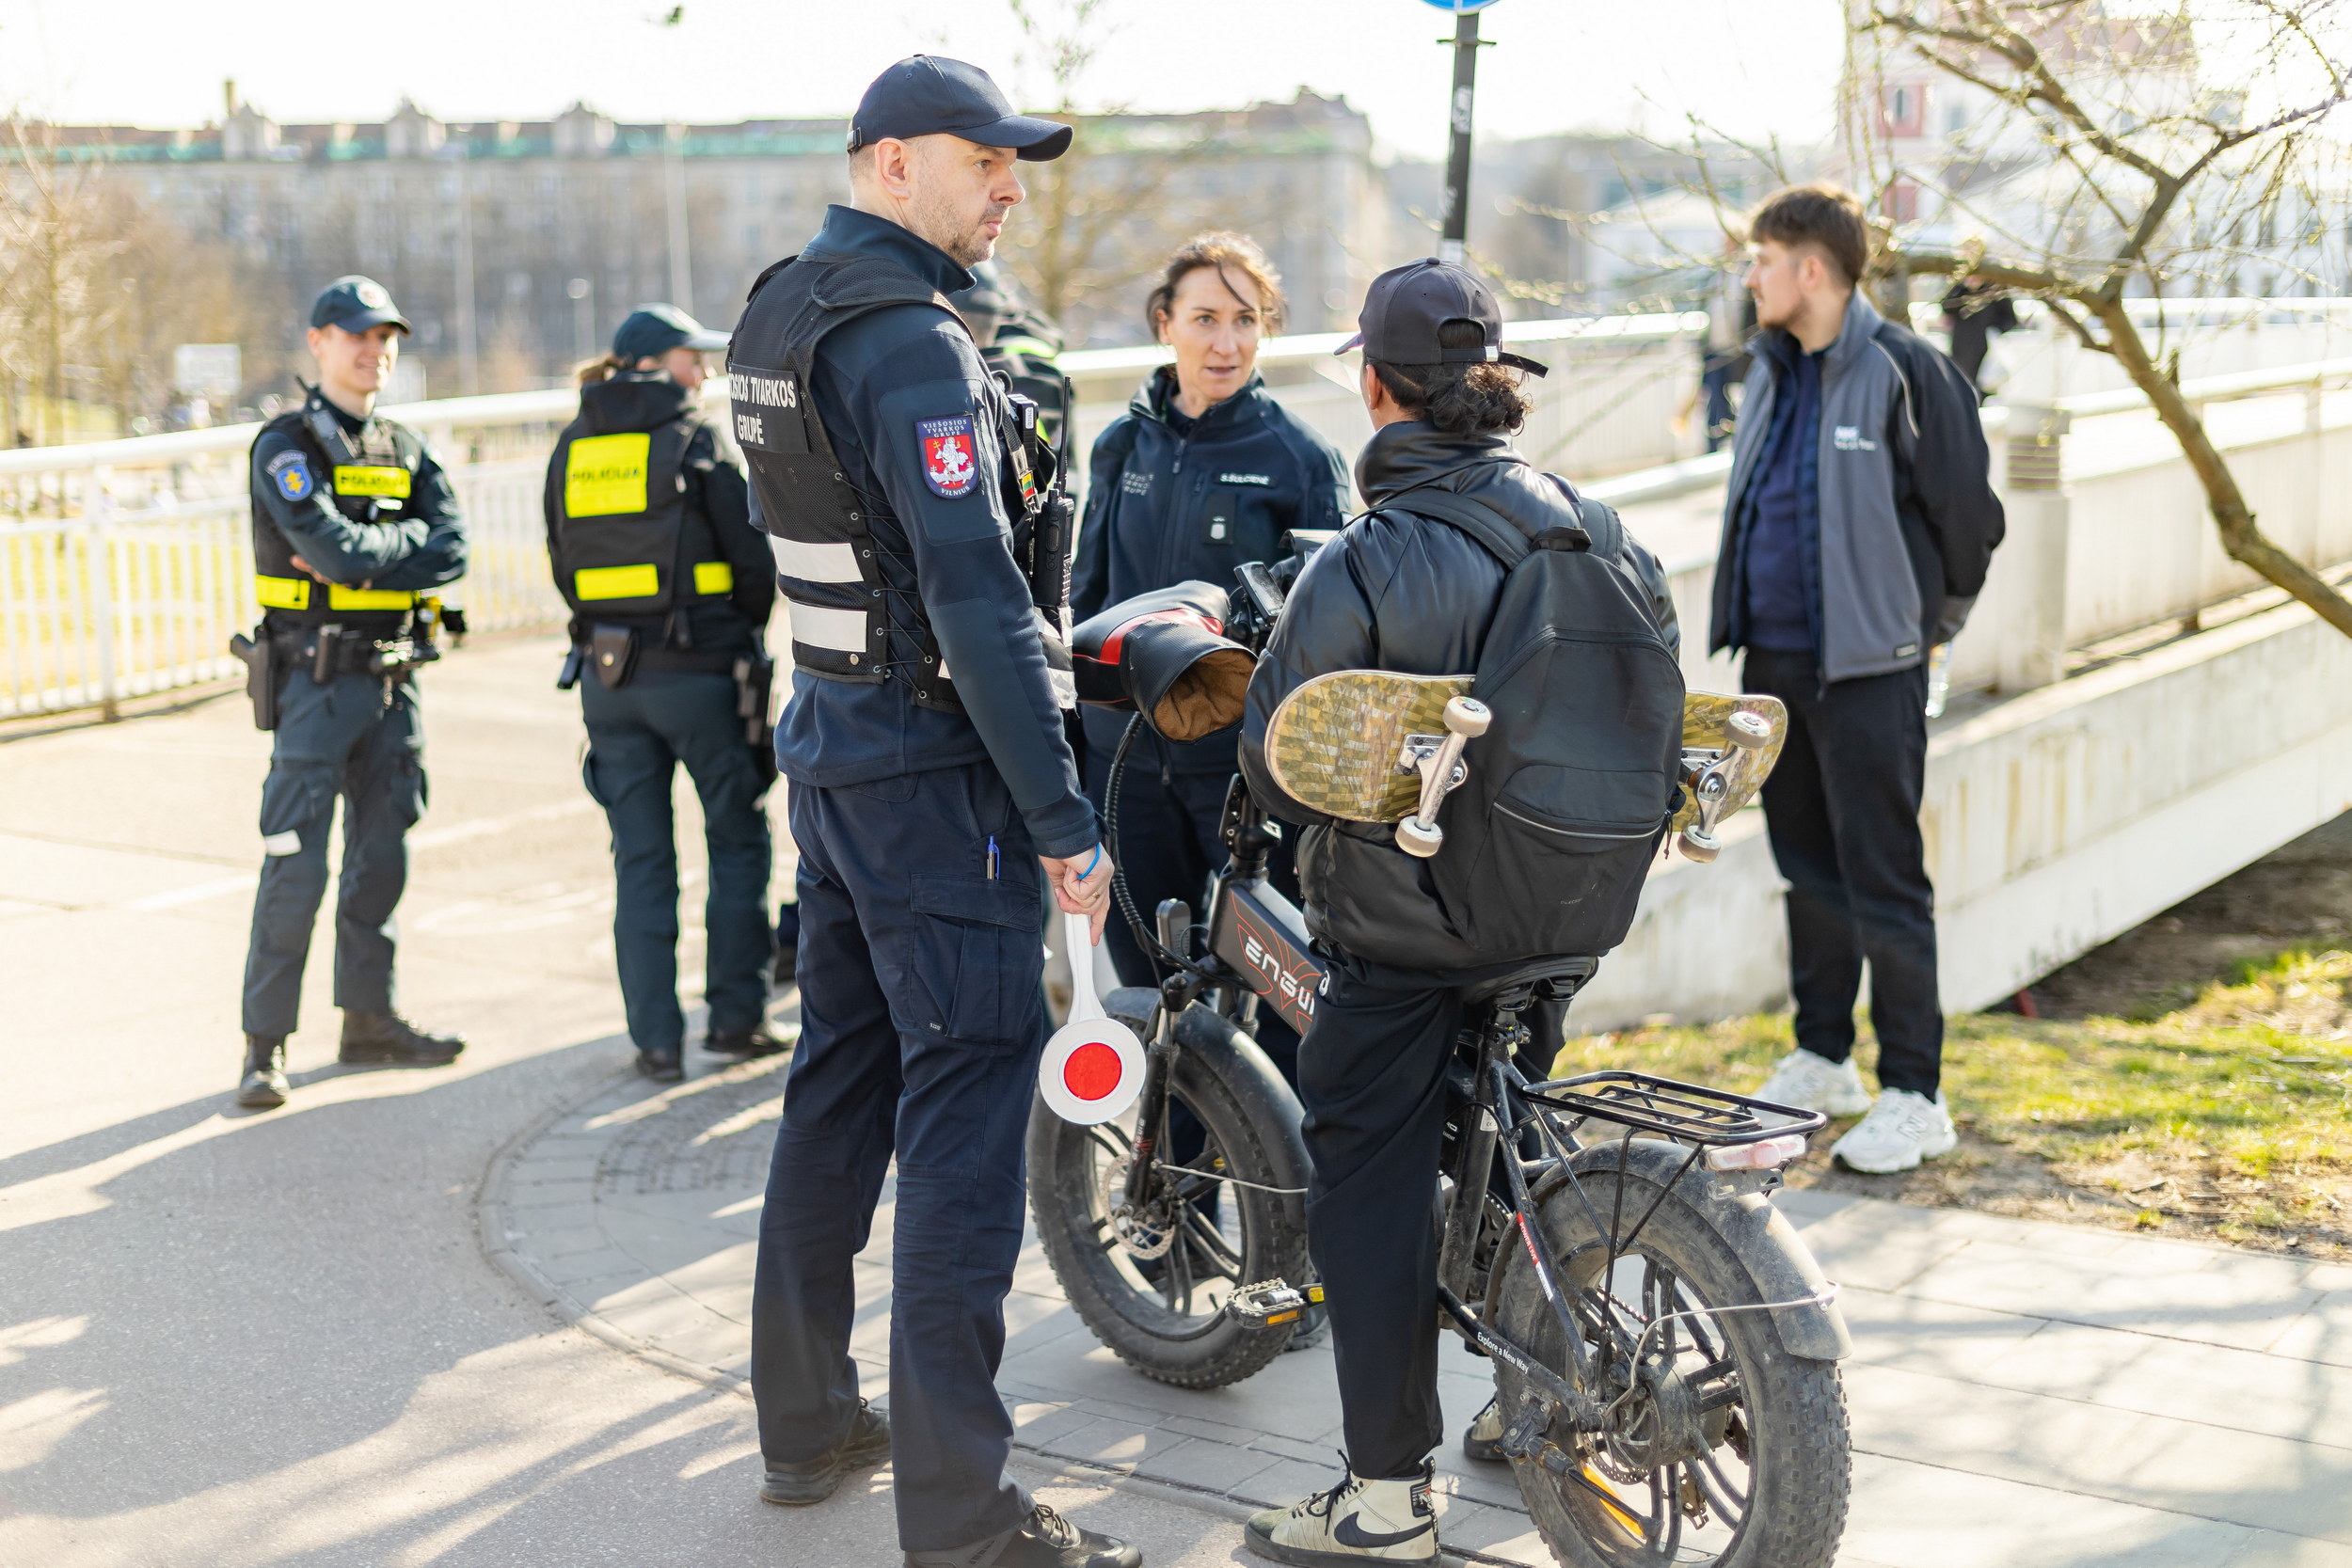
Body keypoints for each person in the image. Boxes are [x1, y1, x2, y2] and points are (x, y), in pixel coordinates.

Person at [730, 56, 1134, 1568]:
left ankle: (807, 1420)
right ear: (892, 163)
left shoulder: (782, 303)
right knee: (966, 1114)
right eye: (986, 162)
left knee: (839, 1080)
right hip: (929, 779)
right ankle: (966, 1517)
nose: (1010, 188)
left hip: (832, 751)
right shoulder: (910, 339)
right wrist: (1061, 814)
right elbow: (971, 592)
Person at [1237, 259, 1680, 1565]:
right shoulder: (1609, 533)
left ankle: (1384, 1495)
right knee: (1508, 1141)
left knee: (1368, 1176)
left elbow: (1276, 756)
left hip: (1410, 930)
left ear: (1377, 391)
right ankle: (1523, 1387)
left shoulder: (1371, 556)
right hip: (1571, 910)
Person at [1714, 185, 2004, 1172]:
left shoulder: (1904, 368)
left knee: (1883, 876)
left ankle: (1915, 1091)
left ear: (1810, 269)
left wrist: (1921, 629)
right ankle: (1822, 1053)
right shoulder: (1767, 372)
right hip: (1777, 664)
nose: (1750, 277)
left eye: (1762, 259)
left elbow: (1970, 520)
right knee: (1805, 864)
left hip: (1870, 669)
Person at [1069, 233, 1348, 1077]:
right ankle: (1175, 1191)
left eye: (1245, 320)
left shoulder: (1299, 457)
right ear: (1165, 325)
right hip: (1124, 771)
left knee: (1283, 996)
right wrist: (1075, 746)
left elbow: (1329, 640)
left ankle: (1279, 1187)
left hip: (1241, 778)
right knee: (1153, 992)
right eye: (1204, 319)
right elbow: (1086, 599)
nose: (1225, 342)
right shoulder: (1121, 444)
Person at [232, 276, 469, 1111]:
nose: (374, 352)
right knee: (297, 861)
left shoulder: (405, 446)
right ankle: (265, 1047)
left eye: (386, 338)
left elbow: (453, 548)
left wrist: (381, 545)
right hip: (316, 682)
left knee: (382, 858)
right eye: (357, 336)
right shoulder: (286, 446)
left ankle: (368, 1020)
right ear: (319, 342)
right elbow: (330, 554)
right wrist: (394, 547)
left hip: (393, 681)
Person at [545, 304, 785, 1084]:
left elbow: (562, 564)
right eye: (694, 358)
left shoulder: (572, 446)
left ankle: (653, 1041)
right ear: (654, 362)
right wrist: (733, 629)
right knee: (736, 841)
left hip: (609, 683)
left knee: (641, 859)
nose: (705, 373)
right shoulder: (694, 440)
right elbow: (756, 564)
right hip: (703, 676)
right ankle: (735, 1020)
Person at [1698, 235, 1757, 451]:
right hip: (1715, 351)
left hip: (1738, 354)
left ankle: (1738, 449)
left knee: (1739, 408)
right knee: (1713, 408)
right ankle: (1711, 451)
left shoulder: (1749, 274)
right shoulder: (1717, 274)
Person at [1942, 275, 2020, 402]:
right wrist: (1965, 289)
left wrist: (1994, 331)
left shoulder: (1996, 290)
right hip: (1961, 347)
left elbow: (2010, 319)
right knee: (1961, 384)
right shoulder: (1960, 290)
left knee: (1983, 388)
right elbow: (1946, 306)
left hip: (1986, 349)